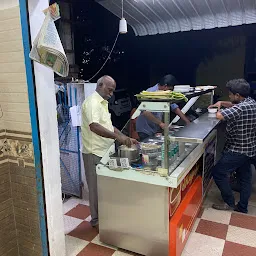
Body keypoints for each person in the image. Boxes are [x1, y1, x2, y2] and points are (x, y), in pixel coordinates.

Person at [81, 75, 138, 228]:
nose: (112, 94)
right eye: (109, 90)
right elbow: (94, 126)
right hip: (94, 152)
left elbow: (109, 126)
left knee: (104, 187)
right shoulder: (93, 102)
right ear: (100, 85)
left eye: (113, 91)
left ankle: (104, 217)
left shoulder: (103, 104)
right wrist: (118, 138)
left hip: (104, 151)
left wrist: (124, 137)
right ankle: (96, 221)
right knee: (95, 189)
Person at [208, 79, 256, 213]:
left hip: (237, 149)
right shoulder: (251, 102)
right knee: (245, 178)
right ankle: (242, 207)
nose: (229, 96)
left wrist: (216, 110)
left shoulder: (239, 108)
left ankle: (229, 202)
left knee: (218, 172)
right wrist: (222, 102)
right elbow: (233, 106)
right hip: (250, 148)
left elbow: (219, 115)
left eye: (230, 94)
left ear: (237, 95)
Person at [136, 74, 190, 141]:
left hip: (155, 127)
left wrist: (187, 121)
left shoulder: (165, 94)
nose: (171, 92)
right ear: (165, 86)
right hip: (145, 129)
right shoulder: (150, 92)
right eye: (170, 89)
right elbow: (146, 112)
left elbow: (175, 108)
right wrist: (161, 123)